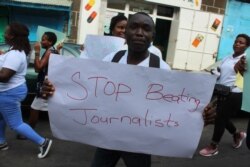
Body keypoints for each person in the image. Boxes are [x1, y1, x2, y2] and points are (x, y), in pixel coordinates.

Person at [41, 12, 216, 167]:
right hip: (107, 137)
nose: (139, 33)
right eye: (134, 27)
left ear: (153, 36)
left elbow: (176, 108)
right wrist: (54, 90)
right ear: (125, 33)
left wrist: (200, 116)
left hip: (139, 144)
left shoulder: (161, 69)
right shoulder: (112, 59)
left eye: (146, 29)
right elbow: (85, 88)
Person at [0, 22, 52, 158]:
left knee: (16, 124)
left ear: (12, 36)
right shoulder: (14, 50)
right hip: (10, 91)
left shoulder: (15, 54)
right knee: (0, 117)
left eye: (6, 32)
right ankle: (1, 142)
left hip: (9, 92)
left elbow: (4, 76)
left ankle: (43, 142)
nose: (3, 34)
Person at [199, 34, 250, 157]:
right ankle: (237, 134)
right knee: (222, 117)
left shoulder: (246, 59)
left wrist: (243, 69)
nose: (237, 44)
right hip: (222, 91)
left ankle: (213, 146)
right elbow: (219, 70)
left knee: (220, 118)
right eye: (236, 41)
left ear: (247, 46)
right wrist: (216, 72)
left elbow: (245, 78)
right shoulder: (227, 58)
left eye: (241, 42)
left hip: (235, 93)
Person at [16, 32, 59, 140]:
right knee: (43, 108)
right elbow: (36, 69)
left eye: (44, 40)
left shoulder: (50, 51)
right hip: (45, 83)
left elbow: (38, 67)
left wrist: (37, 52)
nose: (41, 41)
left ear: (50, 42)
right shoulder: (52, 50)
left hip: (45, 85)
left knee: (34, 108)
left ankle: (28, 133)